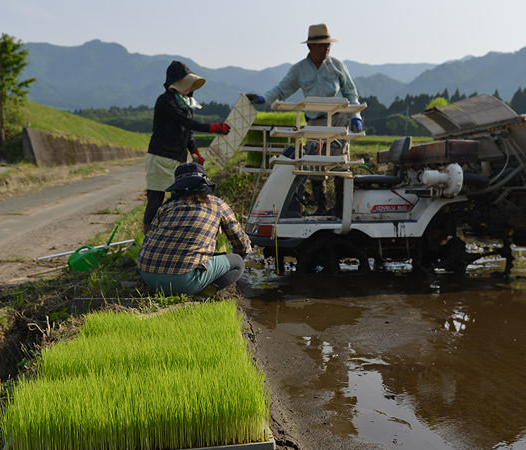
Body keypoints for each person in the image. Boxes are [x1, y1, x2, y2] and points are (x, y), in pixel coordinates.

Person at [246, 24, 364, 215]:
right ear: (310, 47)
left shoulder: (337, 66)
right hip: (314, 122)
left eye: (328, 45)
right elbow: (282, 89)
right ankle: (322, 206)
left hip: (337, 119)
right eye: (322, 45)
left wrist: (355, 116)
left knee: (339, 160)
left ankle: (341, 207)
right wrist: (264, 99)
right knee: (315, 162)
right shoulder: (299, 70)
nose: (327, 49)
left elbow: (350, 91)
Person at [136, 162, 252, 297]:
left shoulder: (167, 207)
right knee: (237, 263)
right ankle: (201, 294)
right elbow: (241, 243)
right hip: (183, 281)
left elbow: (147, 240)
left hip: (148, 275)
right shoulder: (217, 204)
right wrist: (241, 255)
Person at [143, 60, 231, 234]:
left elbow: (187, 131)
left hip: (177, 159)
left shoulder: (185, 103)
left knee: (177, 199)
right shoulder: (165, 101)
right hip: (161, 156)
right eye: (187, 84)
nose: (190, 89)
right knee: (156, 199)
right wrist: (213, 128)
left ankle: (169, 233)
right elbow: (186, 122)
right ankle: (148, 237)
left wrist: (195, 151)